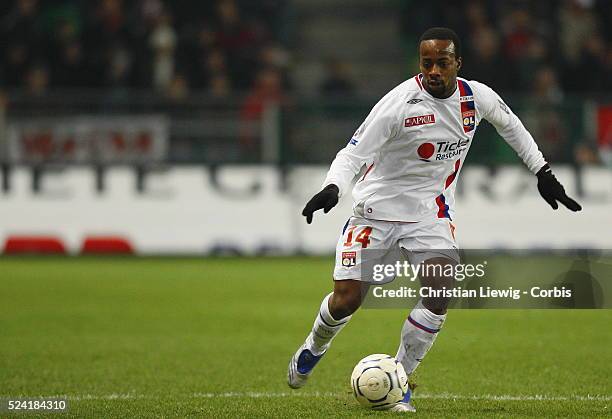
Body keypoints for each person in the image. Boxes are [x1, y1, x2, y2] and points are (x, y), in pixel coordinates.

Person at [287, 27, 581, 413]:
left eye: (443, 62)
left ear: (458, 63)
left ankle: (400, 382)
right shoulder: (399, 104)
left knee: (440, 292)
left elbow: (513, 128)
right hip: (375, 213)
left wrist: (542, 171)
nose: (434, 70)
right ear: (420, 64)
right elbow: (352, 154)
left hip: (430, 216)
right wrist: (333, 188)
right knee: (346, 301)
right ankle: (314, 346)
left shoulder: (476, 98)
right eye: (427, 63)